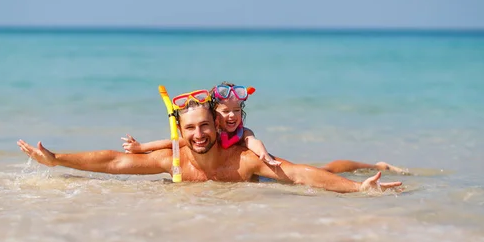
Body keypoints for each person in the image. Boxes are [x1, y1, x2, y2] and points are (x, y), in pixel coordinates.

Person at [17, 89, 402, 194]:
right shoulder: (175, 158)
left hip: (263, 176)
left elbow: (301, 176)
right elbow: (114, 163)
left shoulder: (243, 159)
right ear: (182, 132)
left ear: (217, 128)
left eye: (204, 127)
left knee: (323, 169)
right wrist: (59, 160)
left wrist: (357, 191)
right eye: (190, 129)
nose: (198, 135)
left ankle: (373, 165)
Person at [121, 81, 405, 173]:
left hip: (266, 165)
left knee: (324, 171)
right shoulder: (207, 135)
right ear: (214, 117)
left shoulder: (242, 133)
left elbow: (254, 142)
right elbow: (173, 143)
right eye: (225, 112)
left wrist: (265, 156)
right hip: (255, 170)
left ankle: (374, 164)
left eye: (237, 111)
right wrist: (140, 148)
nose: (232, 117)